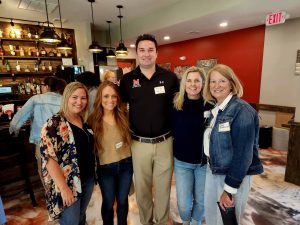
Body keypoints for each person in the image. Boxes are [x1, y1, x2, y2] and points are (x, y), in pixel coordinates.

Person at [120, 34, 178, 225]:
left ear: (156, 53)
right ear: (137, 53)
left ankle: (161, 222)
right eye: (142, 50)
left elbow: (180, 107)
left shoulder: (170, 78)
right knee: (143, 190)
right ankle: (146, 222)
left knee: (163, 190)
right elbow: (118, 110)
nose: (146, 54)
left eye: (150, 50)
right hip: (139, 144)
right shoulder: (127, 80)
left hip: (165, 143)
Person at [202, 64, 263, 225]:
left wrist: (229, 190)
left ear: (231, 84)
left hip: (232, 177)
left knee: (226, 221)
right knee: (212, 218)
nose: (216, 86)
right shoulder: (217, 109)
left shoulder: (242, 111)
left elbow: (244, 156)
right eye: (212, 82)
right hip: (213, 171)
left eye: (222, 81)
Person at [40, 82, 96, 225]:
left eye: (83, 98)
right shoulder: (54, 124)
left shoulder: (83, 121)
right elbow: (49, 158)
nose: (79, 102)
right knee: (70, 221)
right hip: (68, 184)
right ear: (66, 98)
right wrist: (64, 188)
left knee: (81, 217)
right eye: (75, 97)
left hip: (87, 179)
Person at [171, 66, 212, 225]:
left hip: (203, 163)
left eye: (197, 80)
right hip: (182, 162)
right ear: (184, 83)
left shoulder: (211, 105)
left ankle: (196, 223)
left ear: (203, 83)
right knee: (183, 204)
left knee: (201, 200)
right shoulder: (176, 104)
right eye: (189, 80)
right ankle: (186, 221)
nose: (193, 84)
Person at [88, 81, 132, 225]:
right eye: (106, 96)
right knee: (108, 203)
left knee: (123, 201)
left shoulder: (124, 115)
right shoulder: (92, 120)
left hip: (126, 165)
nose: (110, 100)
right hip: (105, 168)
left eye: (114, 96)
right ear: (100, 97)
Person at [9, 76, 66, 184]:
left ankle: (51, 196)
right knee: (62, 169)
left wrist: (14, 131)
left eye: (42, 86)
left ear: (47, 87)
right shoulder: (64, 99)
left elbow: (18, 119)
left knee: (46, 172)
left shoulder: (36, 99)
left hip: (42, 142)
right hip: (62, 140)